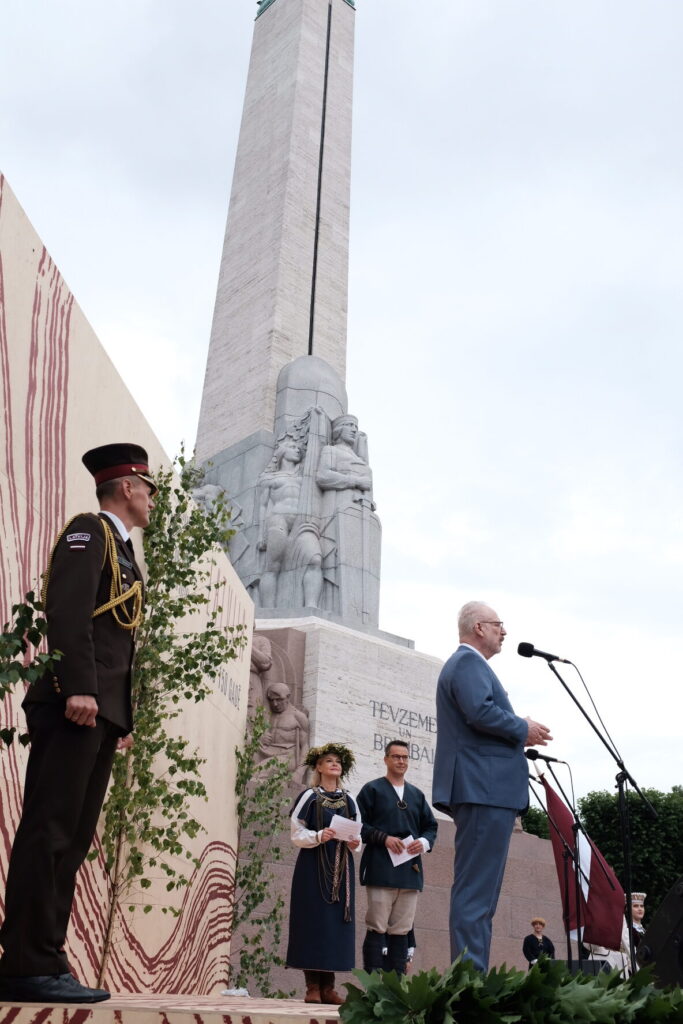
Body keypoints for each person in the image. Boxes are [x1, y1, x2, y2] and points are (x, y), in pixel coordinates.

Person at [0, 443, 157, 1004]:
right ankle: (25, 961)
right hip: (75, 703)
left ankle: (42, 956)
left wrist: (120, 715)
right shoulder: (87, 532)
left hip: (99, 714)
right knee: (51, 830)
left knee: (72, 838)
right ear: (127, 488)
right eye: (148, 488)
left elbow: (118, 641)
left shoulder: (124, 548)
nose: (151, 498)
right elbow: (67, 612)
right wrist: (83, 688)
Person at [432, 601, 552, 973]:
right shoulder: (467, 663)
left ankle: (473, 980)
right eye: (499, 624)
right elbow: (480, 712)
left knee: (481, 897)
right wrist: (522, 729)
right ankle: (469, 986)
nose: (504, 632)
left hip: (486, 791)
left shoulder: (468, 665)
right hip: (482, 789)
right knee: (475, 896)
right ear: (479, 628)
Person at [286, 742, 361, 1005]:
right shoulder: (309, 796)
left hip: (341, 867)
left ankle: (329, 987)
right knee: (313, 920)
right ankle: (312, 987)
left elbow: (358, 835)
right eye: (328, 760)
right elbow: (296, 832)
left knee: (333, 924)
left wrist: (355, 842)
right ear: (318, 766)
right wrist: (319, 835)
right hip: (313, 864)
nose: (334, 764)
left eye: (338, 761)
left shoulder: (350, 799)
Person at [356, 739, 438, 974]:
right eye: (396, 756)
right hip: (381, 869)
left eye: (404, 757)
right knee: (377, 925)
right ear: (386, 759)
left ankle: (396, 987)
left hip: (409, 872)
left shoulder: (416, 795)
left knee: (402, 929)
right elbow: (358, 825)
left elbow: (431, 827)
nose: (401, 761)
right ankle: (372, 985)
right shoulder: (372, 789)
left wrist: (423, 842)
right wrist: (384, 838)